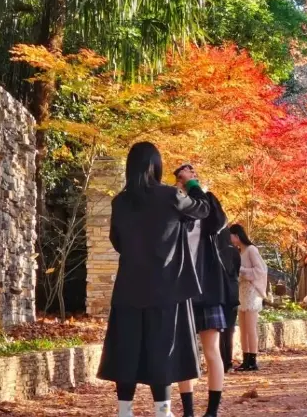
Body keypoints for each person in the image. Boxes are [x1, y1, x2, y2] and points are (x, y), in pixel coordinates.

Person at [97, 142, 211, 417]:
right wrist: (192, 183)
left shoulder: (120, 201)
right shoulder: (170, 195)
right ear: (155, 165)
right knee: (163, 346)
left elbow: (117, 242)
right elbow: (203, 209)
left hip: (129, 286)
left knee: (126, 347)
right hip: (166, 287)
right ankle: (162, 410)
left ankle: (124, 411)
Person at [174, 163, 228, 417]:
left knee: (211, 351)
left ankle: (212, 412)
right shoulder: (176, 210)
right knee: (184, 353)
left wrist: (195, 185)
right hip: (181, 292)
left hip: (206, 291)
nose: (187, 180)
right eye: (185, 178)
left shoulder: (207, 210)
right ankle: (188, 411)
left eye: (191, 176)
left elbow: (217, 218)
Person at [229, 224, 268, 372]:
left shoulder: (252, 250)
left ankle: (253, 359)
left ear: (237, 236)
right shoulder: (239, 252)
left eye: (231, 236)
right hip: (242, 290)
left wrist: (242, 270)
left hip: (252, 290)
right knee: (244, 327)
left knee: (251, 327)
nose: (230, 240)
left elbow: (260, 270)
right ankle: (246, 359)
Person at [217, 227, 241, 373]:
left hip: (219, 294)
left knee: (219, 331)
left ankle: (220, 361)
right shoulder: (234, 252)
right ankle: (228, 362)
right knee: (229, 330)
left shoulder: (215, 251)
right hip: (232, 294)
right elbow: (237, 271)